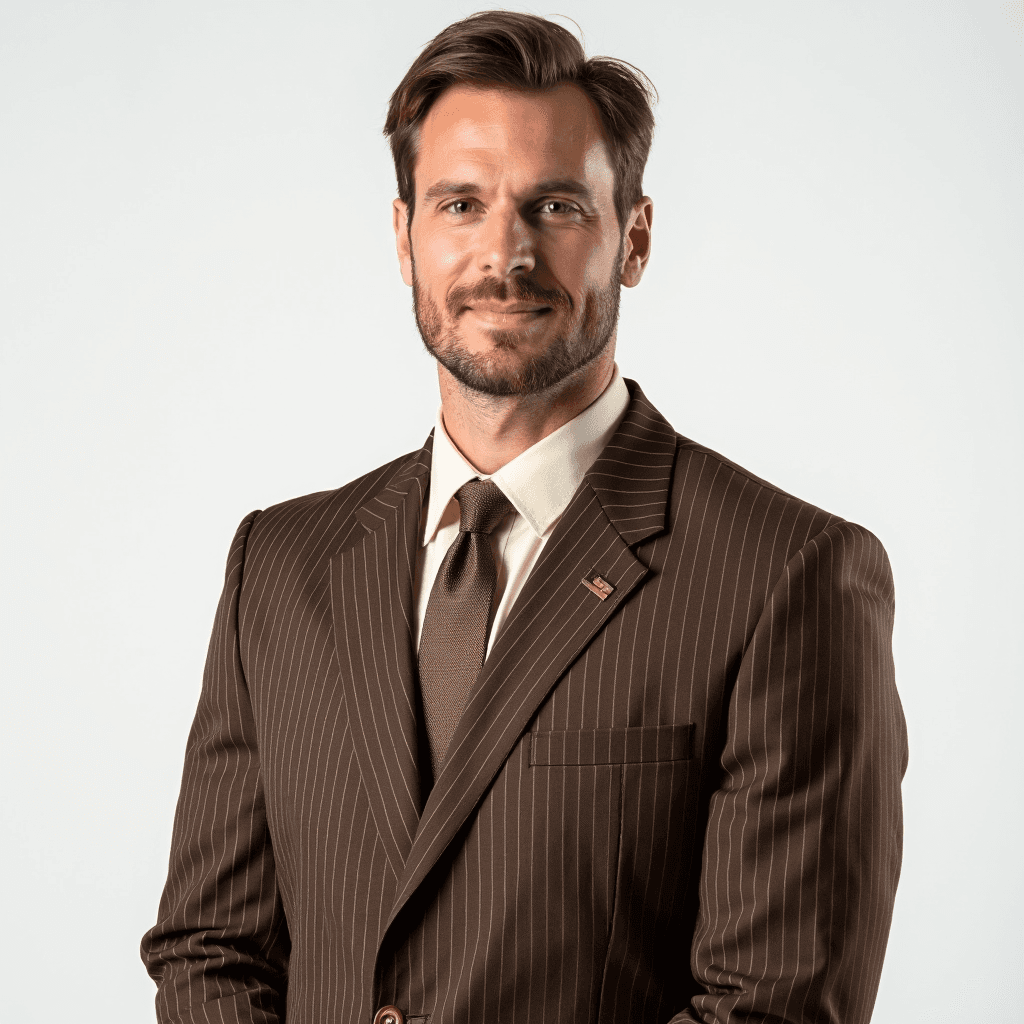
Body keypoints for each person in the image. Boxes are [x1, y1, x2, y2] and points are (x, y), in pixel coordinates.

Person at [141, 11, 908, 1024]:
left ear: (631, 239)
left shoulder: (787, 573)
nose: (503, 254)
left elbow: (768, 1007)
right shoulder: (280, 566)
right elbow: (211, 946)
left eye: (554, 205)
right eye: (460, 204)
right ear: (403, 238)